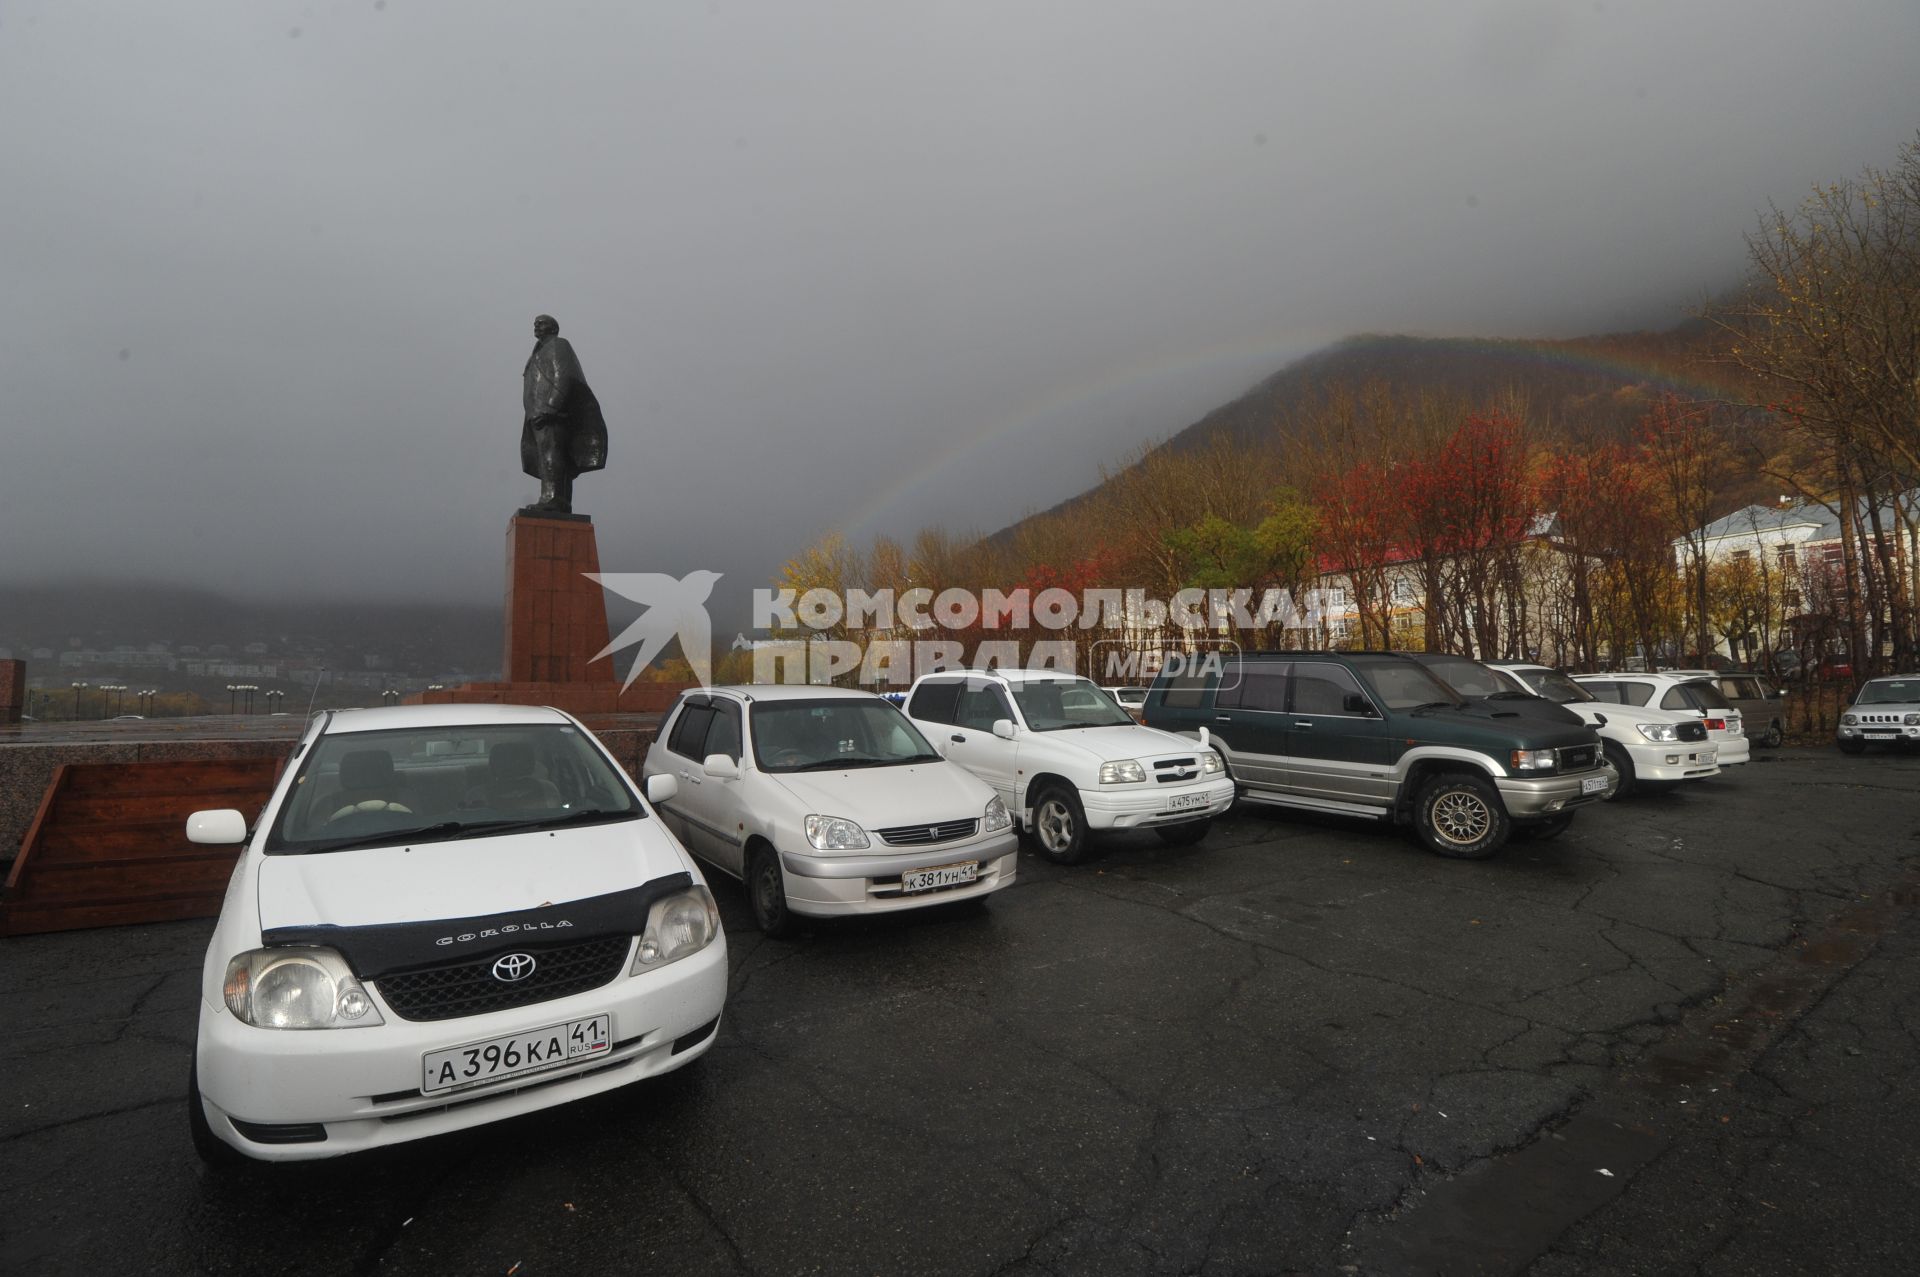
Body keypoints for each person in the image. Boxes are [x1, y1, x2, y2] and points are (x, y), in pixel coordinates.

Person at [519, 314, 608, 514]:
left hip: (551, 414)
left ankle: (553, 498)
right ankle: (559, 499)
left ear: (553, 328)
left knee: (552, 454)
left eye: (541, 323)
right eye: (535, 324)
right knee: (547, 455)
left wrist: (551, 407)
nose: (536, 326)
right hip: (538, 415)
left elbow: (564, 376)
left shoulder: (558, 345)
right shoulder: (538, 352)